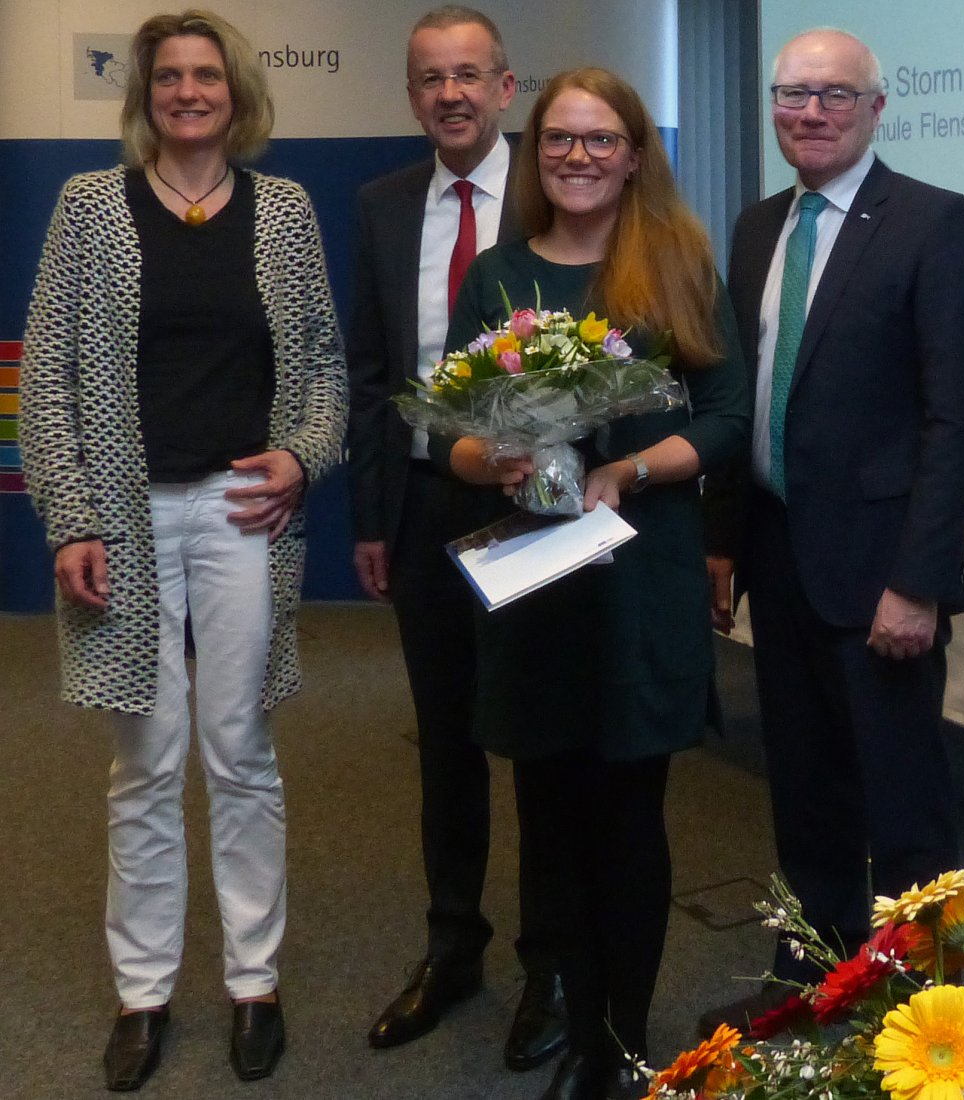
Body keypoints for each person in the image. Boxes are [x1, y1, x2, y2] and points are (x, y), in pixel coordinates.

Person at [19, 8, 347, 1091]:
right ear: (144, 93)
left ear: (235, 91)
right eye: (170, 77)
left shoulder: (285, 211)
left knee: (241, 752)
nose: (189, 92)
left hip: (242, 510)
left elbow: (324, 371)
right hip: (122, 517)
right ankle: (144, 992)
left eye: (207, 75)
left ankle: (254, 980)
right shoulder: (88, 207)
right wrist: (70, 514)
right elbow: (51, 376)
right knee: (143, 763)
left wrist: (301, 457)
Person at [440, 68, 749, 1100]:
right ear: (536, 155)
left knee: (627, 813)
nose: (577, 157)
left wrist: (628, 467)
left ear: (631, 154)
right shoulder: (495, 275)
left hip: (636, 575)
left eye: (598, 139)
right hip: (535, 578)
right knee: (547, 807)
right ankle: (569, 1009)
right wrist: (492, 459)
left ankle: (620, 1036)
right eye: (558, 140)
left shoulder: (674, 262)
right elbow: (455, 433)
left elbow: (726, 420)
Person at [699, 28, 964, 1034]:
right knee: (805, 792)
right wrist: (725, 541)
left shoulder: (935, 220)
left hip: (881, 571)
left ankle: (931, 1004)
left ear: (876, 109)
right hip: (781, 555)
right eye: (792, 93)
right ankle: (809, 969)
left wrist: (918, 581)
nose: (810, 110)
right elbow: (745, 403)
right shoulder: (753, 228)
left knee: (906, 803)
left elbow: (959, 419)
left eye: (833, 94)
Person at [346, 5, 567, 1068]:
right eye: (430, 78)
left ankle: (552, 962)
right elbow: (369, 373)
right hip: (429, 504)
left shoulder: (560, 187)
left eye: (468, 75)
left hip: (540, 505)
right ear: (411, 95)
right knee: (446, 741)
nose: (450, 94)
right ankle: (453, 945)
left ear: (505, 87)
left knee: (541, 736)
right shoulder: (383, 206)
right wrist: (373, 517)